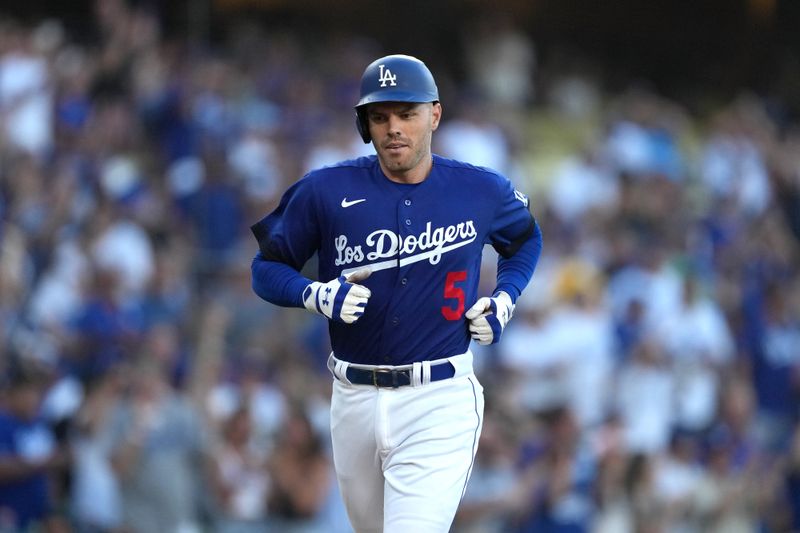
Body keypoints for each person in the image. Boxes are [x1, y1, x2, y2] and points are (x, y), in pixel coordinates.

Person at [250, 54, 542, 532]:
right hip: (353, 398)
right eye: (380, 116)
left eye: (407, 113)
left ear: (434, 115)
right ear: (364, 123)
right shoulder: (327, 189)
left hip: (439, 398)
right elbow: (265, 267)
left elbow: (526, 238)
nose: (394, 128)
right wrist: (316, 295)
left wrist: (506, 297)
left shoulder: (479, 189)